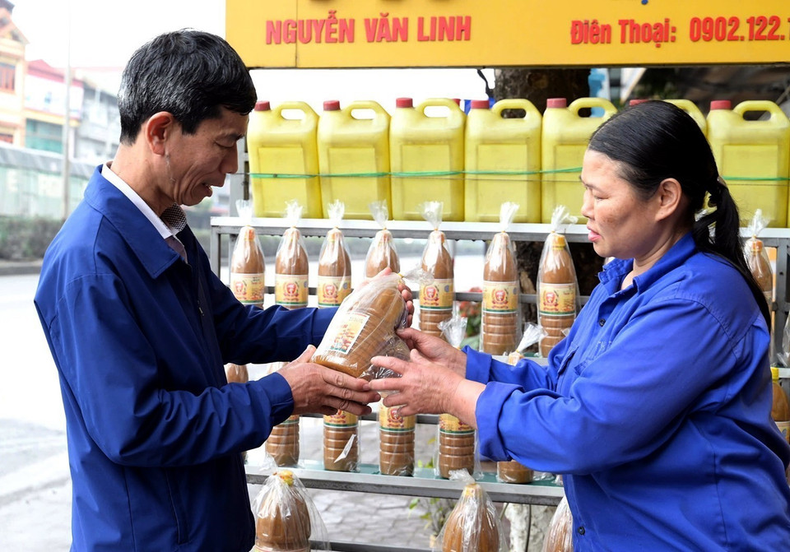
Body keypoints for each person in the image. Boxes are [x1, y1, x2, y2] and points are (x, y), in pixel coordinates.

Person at [33, 30, 406, 552]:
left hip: (206, 527)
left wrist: (354, 318)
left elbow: (234, 328)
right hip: (152, 539)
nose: (232, 169)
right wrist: (283, 393)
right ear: (161, 131)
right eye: (225, 143)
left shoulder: (168, 226)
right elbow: (136, 427)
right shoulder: (91, 263)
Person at [370, 101, 790, 550]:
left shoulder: (697, 301)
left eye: (602, 195)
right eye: (585, 190)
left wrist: (451, 395)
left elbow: (584, 430)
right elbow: (564, 385)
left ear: (665, 198)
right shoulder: (624, 277)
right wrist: (463, 368)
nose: (585, 209)